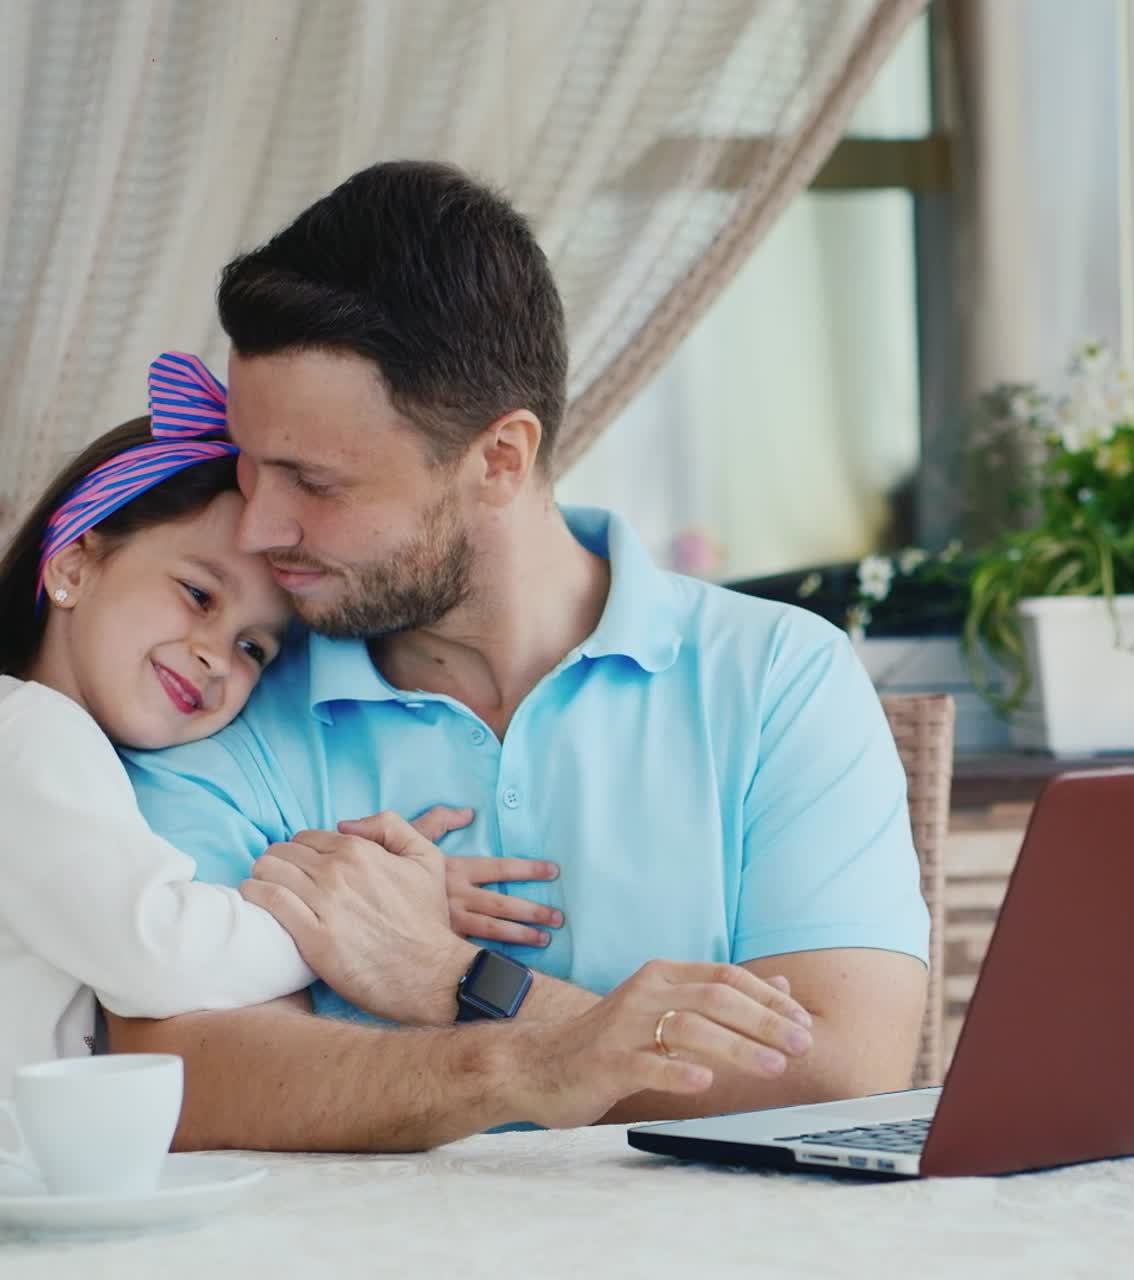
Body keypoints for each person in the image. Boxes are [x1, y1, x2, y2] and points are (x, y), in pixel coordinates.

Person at [108, 161, 929, 1152]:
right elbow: (179, 1067)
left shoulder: (776, 678)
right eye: (249, 464)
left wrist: (456, 980)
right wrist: (532, 1058)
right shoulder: (214, 689)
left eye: (312, 481)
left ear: (498, 458)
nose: (257, 526)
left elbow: (842, 1076)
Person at [0, 362, 476, 1095]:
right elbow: (158, 950)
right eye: (197, 595)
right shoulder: (31, 734)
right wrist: (355, 924)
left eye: (255, 647)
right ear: (72, 562)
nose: (215, 656)